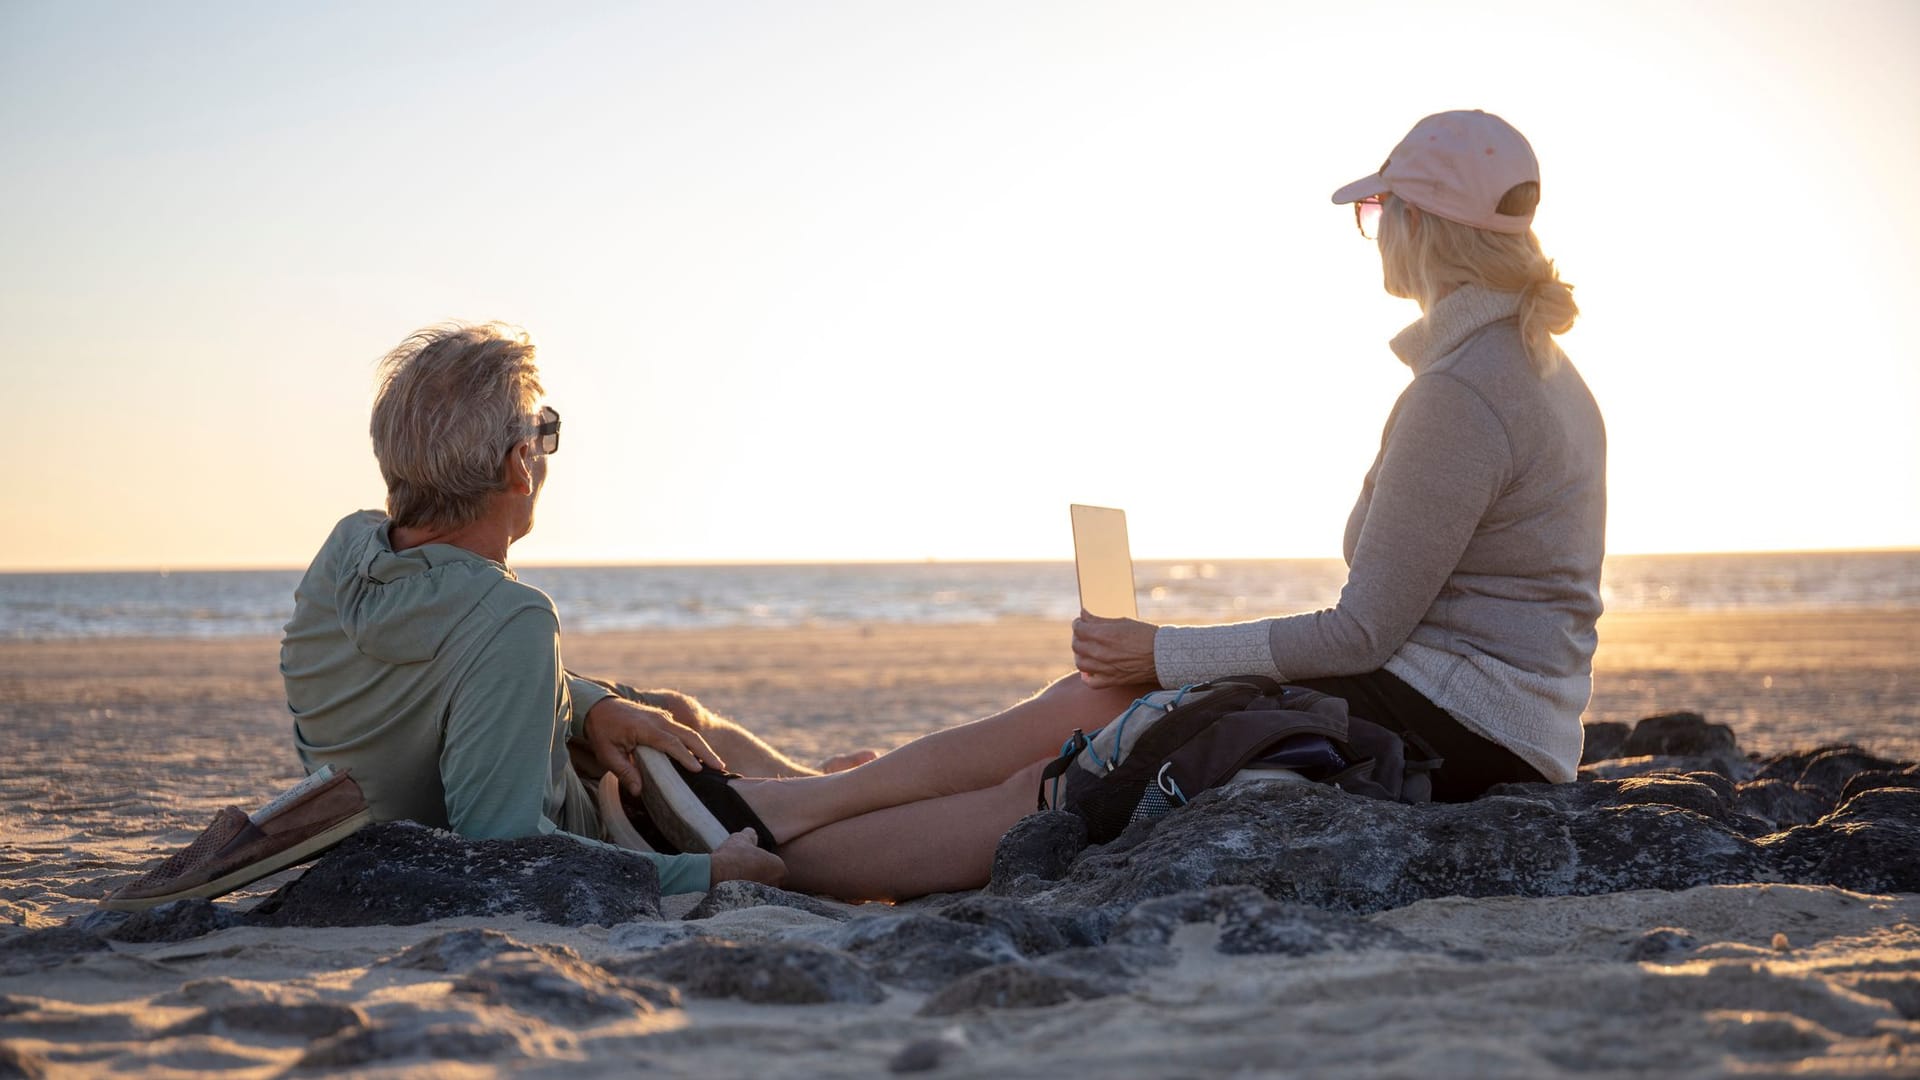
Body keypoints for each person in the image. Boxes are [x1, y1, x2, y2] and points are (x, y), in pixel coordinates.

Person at [630, 109, 1605, 901]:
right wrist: (1153, 660)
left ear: (1419, 222)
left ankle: (769, 856)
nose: (1373, 231)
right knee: (1093, 700)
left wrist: (1164, 653)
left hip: (1464, 740)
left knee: (1076, 769)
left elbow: (1358, 636)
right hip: (1479, 720)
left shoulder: (1465, 393)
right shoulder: (1525, 368)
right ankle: (797, 803)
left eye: (1376, 209)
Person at [280, 324, 799, 894]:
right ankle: (857, 793)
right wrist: (707, 873)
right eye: (543, 431)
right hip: (582, 832)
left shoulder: (348, 549)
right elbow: (507, 847)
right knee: (769, 813)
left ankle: (817, 777)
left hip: (396, 799)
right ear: (520, 464)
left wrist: (592, 707)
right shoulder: (512, 617)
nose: (547, 447)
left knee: (663, 710)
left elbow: (450, 674)